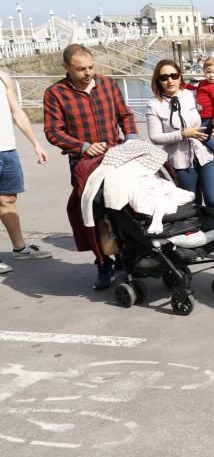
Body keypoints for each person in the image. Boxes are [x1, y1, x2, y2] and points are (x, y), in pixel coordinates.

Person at [43, 44, 139, 289]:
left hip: (116, 157)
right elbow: (53, 131)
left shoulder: (107, 84)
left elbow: (125, 115)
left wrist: (131, 137)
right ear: (66, 67)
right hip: (83, 163)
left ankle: (129, 257)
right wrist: (83, 146)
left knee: (126, 207)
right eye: (80, 69)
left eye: (90, 67)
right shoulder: (55, 93)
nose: (88, 73)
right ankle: (103, 263)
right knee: (94, 214)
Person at [145, 60, 214, 261]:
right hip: (180, 161)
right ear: (157, 81)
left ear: (180, 77)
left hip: (206, 154)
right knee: (192, 204)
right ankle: (198, 247)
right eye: (164, 77)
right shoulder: (154, 105)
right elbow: (155, 137)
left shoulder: (191, 94)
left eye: (174, 75)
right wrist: (182, 134)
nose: (170, 80)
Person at [0, 69, 53, 273]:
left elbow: (17, 112)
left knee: (8, 199)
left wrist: (36, 144)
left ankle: (20, 248)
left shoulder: (3, 77)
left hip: (7, 150)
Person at [184, 56, 214, 168]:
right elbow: (197, 89)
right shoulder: (204, 83)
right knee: (212, 136)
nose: (211, 75)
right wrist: (185, 86)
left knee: (202, 135)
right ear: (204, 72)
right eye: (208, 72)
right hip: (203, 116)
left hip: (211, 117)